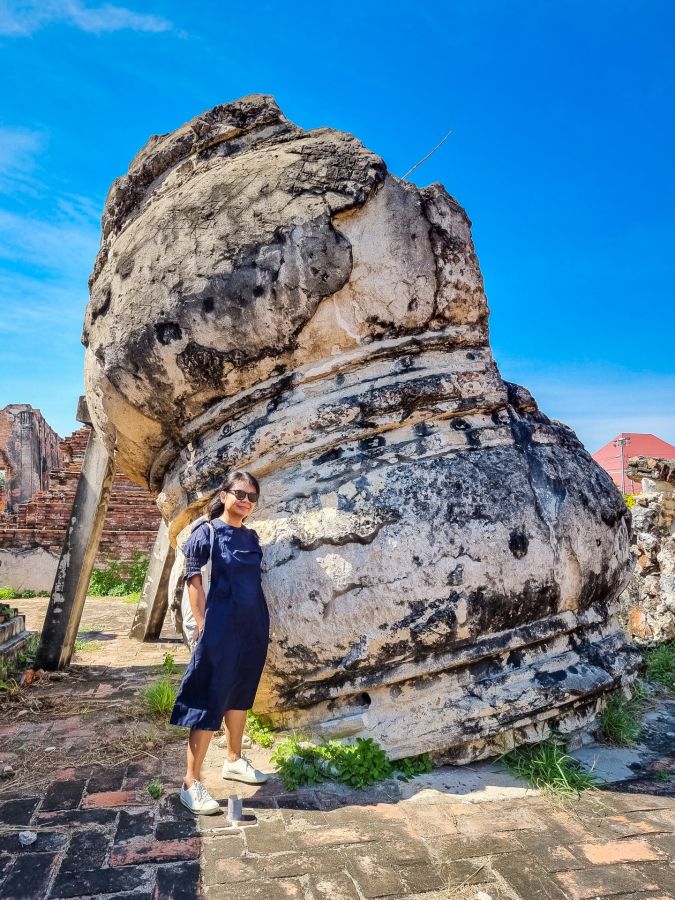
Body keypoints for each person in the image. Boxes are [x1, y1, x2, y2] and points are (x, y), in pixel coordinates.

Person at [170, 470, 270, 815]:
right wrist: (201, 624)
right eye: (240, 493)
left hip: (252, 627)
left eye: (251, 497)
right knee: (208, 696)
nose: (245, 501)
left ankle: (233, 760)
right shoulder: (206, 532)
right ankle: (190, 783)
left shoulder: (252, 537)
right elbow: (193, 580)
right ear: (224, 494)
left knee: (240, 692)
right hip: (218, 627)